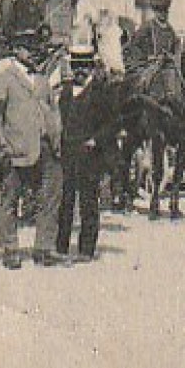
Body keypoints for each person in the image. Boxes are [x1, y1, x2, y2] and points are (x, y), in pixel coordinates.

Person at [0, 35, 64, 269]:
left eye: (36, 49)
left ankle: (43, 248)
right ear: (17, 50)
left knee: (50, 197)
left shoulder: (42, 79)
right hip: (17, 147)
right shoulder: (5, 78)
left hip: (46, 146)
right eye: (28, 49)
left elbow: (53, 108)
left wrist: (56, 133)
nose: (33, 54)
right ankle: (10, 249)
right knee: (10, 198)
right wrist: (2, 143)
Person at [55, 71, 106, 263]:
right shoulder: (66, 91)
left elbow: (110, 122)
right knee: (65, 199)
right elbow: (59, 117)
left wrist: (96, 139)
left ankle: (86, 248)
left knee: (89, 200)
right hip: (68, 150)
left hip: (90, 154)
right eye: (77, 65)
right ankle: (61, 245)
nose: (80, 71)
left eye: (84, 65)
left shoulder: (100, 92)